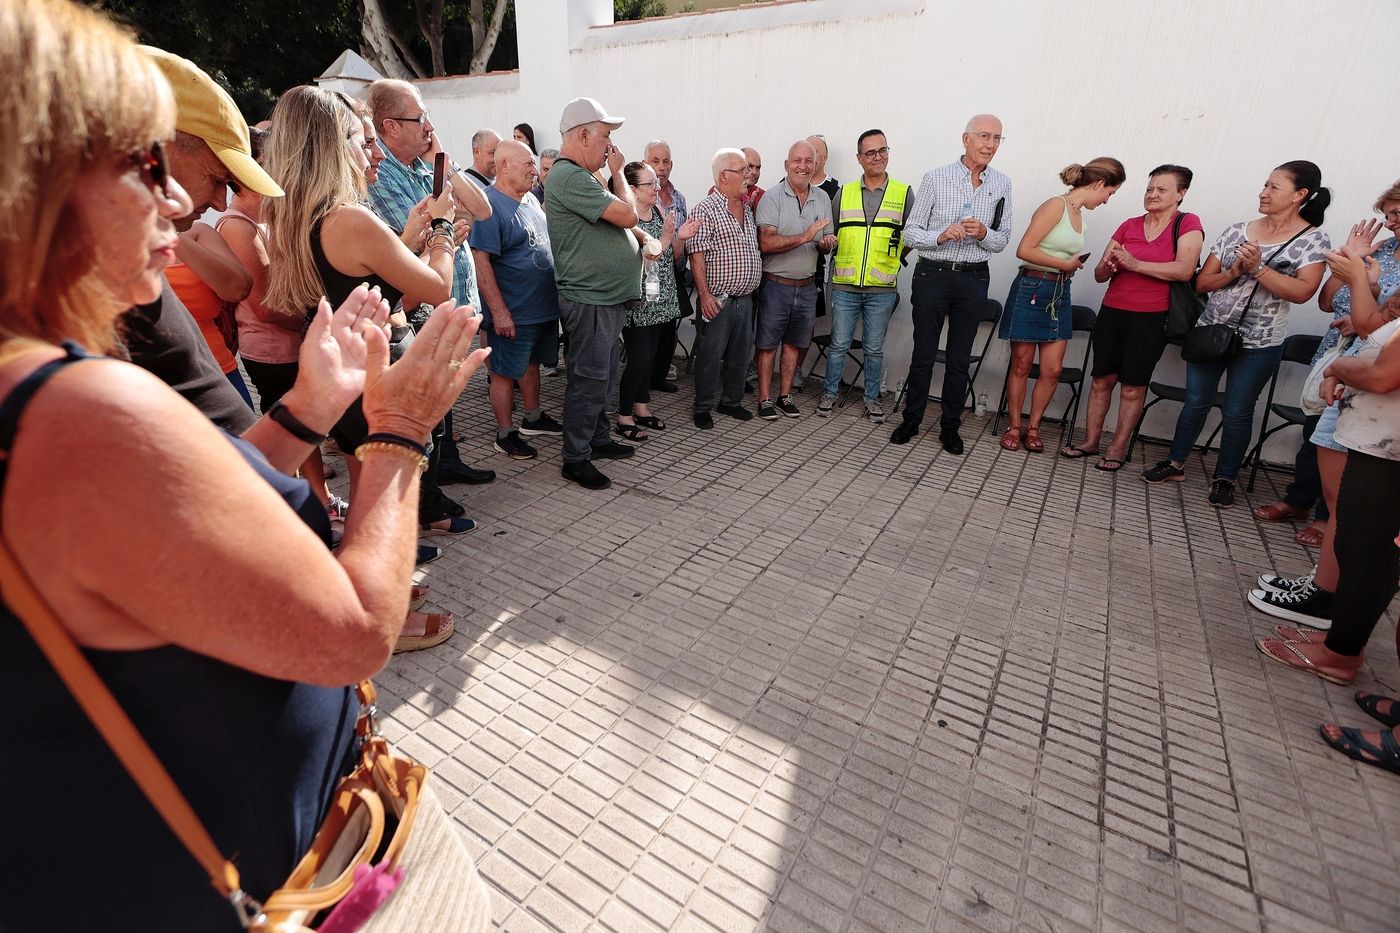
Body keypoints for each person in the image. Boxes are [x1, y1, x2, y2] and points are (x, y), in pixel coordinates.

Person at [0, 2, 489, 927]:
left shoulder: (43, 388)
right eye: (146, 163)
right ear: (37, 177)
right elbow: (352, 632)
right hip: (272, 878)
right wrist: (396, 436)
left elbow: (178, 533)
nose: (182, 201)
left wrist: (306, 409)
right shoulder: (79, 408)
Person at [1253, 305, 1400, 777]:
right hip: (1384, 446)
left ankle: (1339, 656)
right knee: (1362, 553)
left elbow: (1383, 375)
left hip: (1390, 453)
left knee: (1369, 558)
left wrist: (1339, 365)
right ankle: (1341, 645)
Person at [1143, 161, 1332, 508]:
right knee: (1195, 402)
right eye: (1264, 184)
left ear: (1300, 195)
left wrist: (1259, 268)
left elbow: (1303, 292)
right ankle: (1174, 463)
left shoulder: (1313, 239)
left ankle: (1226, 477)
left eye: (1274, 187)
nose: (1263, 192)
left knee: (1238, 410)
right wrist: (1235, 270)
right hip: (1212, 331)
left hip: (1261, 342)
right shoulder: (1236, 231)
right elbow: (1202, 282)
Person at [1248, 237, 1400, 628]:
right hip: (1361, 407)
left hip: (1380, 421)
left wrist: (1340, 369)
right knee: (1342, 506)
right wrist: (1362, 283)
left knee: (1347, 512)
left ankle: (1329, 602)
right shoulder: (1384, 254)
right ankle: (1322, 588)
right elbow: (1371, 326)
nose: (1391, 222)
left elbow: (1383, 372)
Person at [364, 78, 497, 488]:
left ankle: (448, 461)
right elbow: (423, 239)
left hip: (454, 303)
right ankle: (428, 489)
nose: (428, 126)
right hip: (422, 309)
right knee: (427, 399)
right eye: (419, 118)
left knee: (444, 395)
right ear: (390, 127)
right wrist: (442, 230)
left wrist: (444, 160)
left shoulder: (426, 164)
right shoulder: (381, 175)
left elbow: (482, 210)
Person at [1254, 182, 1400, 544]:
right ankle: (1298, 501)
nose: (1391, 222)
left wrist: (1370, 312)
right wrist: (1347, 261)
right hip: (1338, 352)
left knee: (1347, 445)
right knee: (1315, 433)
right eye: (1388, 214)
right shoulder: (1381, 249)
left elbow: (1386, 317)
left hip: (1378, 361)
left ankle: (1327, 519)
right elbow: (1326, 302)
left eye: (1397, 214)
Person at [1063, 165, 1203, 470]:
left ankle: (1116, 448)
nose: (1152, 194)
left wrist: (1135, 263)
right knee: (1101, 380)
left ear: (1181, 194)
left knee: (1132, 386)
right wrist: (1110, 265)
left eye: (1161, 189)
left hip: (1151, 316)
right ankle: (1090, 441)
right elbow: (1101, 274)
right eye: (1149, 188)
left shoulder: (1188, 224)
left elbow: (1184, 270)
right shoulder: (1129, 225)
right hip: (1113, 310)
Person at [891, 114, 1014, 454]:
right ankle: (911, 419)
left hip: (974, 278)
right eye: (984, 136)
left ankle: (950, 427)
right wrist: (941, 235)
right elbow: (911, 232)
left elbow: (1002, 239)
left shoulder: (1002, 184)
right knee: (924, 353)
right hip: (933, 273)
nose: (990, 144)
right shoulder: (936, 178)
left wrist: (985, 233)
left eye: (997, 138)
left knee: (960, 358)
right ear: (966, 139)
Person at [545, 97, 641, 490]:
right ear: (583, 135)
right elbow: (629, 214)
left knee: (601, 375)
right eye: (604, 137)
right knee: (588, 379)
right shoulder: (568, 176)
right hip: (589, 299)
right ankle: (576, 457)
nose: (610, 148)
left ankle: (597, 439)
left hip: (602, 297)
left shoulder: (582, 176)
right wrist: (619, 175)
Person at [998, 157, 1124, 452]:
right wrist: (1064, 263)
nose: (1107, 200)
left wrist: (1067, 267)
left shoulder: (1080, 216)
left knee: (1052, 370)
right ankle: (1014, 426)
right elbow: (1024, 249)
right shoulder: (1056, 205)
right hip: (1032, 286)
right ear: (1099, 184)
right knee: (1021, 364)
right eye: (1110, 193)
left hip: (1059, 291)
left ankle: (1034, 427)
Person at [469, 139, 564, 460]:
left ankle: (533, 418)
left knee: (531, 366)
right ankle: (505, 433)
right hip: (512, 312)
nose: (534, 171)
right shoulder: (488, 205)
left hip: (540, 311)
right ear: (504, 165)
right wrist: (499, 312)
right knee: (503, 373)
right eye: (528, 165)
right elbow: (481, 263)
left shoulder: (530, 202)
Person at [821, 129, 912, 422]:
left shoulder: (903, 192)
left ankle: (872, 398)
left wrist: (894, 260)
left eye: (883, 150)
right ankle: (829, 394)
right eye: (870, 152)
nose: (878, 157)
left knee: (874, 349)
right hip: (845, 284)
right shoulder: (844, 193)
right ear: (859, 158)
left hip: (881, 288)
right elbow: (832, 232)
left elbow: (912, 235)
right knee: (838, 345)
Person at [615, 160, 697, 441]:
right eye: (649, 184)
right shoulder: (627, 218)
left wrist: (679, 238)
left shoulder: (658, 212)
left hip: (660, 299)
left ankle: (641, 407)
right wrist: (664, 238)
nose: (656, 187)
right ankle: (624, 415)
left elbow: (670, 255)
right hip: (638, 301)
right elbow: (646, 256)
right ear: (633, 190)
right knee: (638, 359)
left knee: (649, 359)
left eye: (656, 183)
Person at [754, 140, 835, 419]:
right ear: (787, 165)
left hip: (807, 285)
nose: (803, 166)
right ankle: (764, 399)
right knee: (767, 344)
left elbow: (825, 238)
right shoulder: (772, 197)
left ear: (816, 165)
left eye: (808, 161)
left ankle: (784, 395)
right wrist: (806, 235)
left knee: (794, 344)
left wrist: (827, 243)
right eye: (797, 160)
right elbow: (766, 243)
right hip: (776, 284)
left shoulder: (823, 198)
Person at [688, 148, 763, 429]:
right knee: (710, 356)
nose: (749, 176)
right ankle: (703, 406)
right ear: (724, 176)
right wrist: (705, 295)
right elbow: (697, 256)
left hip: (745, 299)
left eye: (749, 170)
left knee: (740, 355)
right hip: (717, 299)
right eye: (743, 170)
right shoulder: (705, 210)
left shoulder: (747, 207)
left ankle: (731, 402)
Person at [167, 214, 254, 407]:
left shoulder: (199, 233)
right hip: (149, 387)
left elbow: (237, 288)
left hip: (219, 372)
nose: (221, 204)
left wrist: (165, 231)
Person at [645, 138, 689, 393]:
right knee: (649, 326)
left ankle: (660, 375)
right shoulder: (638, 193)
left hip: (674, 270)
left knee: (669, 326)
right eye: (655, 161)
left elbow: (682, 233)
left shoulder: (678, 197)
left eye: (666, 162)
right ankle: (644, 377)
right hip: (650, 269)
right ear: (646, 163)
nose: (661, 167)